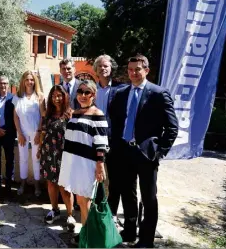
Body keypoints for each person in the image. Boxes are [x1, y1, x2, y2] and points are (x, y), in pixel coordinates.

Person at [108, 54, 178, 248]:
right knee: (127, 193)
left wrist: (159, 151)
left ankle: (146, 240)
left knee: (149, 197)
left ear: (146, 70)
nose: (133, 73)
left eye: (137, 69)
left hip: (146, 154)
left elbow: (172, 127)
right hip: (124, 152)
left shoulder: (158, 93)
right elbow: (116, 121)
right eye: (130, 70)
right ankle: (129, 231)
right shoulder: (121, 93)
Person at [57, 80, 109, 245]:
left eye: (88, 92)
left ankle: (88, 238)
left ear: (94, 95)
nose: (83, 95)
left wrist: (100, 165)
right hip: (72, 161)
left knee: (85, 202)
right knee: (81, 201)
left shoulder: (97, 114)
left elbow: (101, 142)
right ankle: (86, 232)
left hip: (86, 164)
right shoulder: (76, 113)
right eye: (80, 91)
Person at [93, 54, 126, 228]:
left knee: (114, 178)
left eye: (106, 66)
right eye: (100, 66)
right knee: (95, 176)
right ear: (96, 70)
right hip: (94, 139)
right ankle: (97, 207)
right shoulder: (91, 90)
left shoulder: (121, 89)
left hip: (114, 140)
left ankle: (112, 211)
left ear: (111, 68)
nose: (103, 68)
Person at [37, 85, 76, 231]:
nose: (56, 99)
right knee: (51, 184)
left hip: (64, 155)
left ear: (64, 97)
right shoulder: (47, 114)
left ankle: (70, 215)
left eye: (59, 96)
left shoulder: (70, 115)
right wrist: (40, 150)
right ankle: (55, 210)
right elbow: (43, 133)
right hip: (48, 153)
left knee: (65, 186)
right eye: (53, 96)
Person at [13, 70, 45, 197]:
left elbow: (43, 116)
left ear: (35, 81)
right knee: (23, 158)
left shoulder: (40, 96)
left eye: (32, 79)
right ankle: (23, 183)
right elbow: (15, 117)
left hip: (36, 132)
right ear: (23, 81)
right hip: (22, 133)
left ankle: (37, 184)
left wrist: (39, 133)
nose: (29, 82)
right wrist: (19, 133)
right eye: (27, 79)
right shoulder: (17, 96)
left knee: (36, 158)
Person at [58, 57, 81, 211]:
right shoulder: (57, 88)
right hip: (61, 135)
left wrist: (75, 112)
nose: (66, 71)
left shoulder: (83, 86)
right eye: (63, 69)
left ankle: (79, 201)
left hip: (79, 133)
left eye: (69, 69)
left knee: (78, 168)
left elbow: (90, 107)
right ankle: (66, 200)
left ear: (74, 69)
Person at [0, 76, 16, 200]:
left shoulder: (14, 98)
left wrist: (7, 130)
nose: (3, 85)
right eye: (0, 83)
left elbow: (16, 117)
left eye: (5, 83)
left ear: (8, 84)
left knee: (10, 160)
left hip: (9, 134)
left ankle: (9, 187)